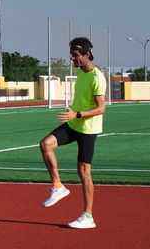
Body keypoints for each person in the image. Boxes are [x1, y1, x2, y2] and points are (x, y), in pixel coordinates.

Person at [39, 37, 106, 229]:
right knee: (45, 144)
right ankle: (58, 187)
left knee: (84, 172)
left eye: (75, 55)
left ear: (86, 54)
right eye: (71, 55)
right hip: (73, 123)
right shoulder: (82, 74)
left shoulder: (97, 78)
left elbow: (101, 108)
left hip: (88, 128)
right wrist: (73, 113)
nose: (72, 59)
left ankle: (88, 216)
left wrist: (77, 114)